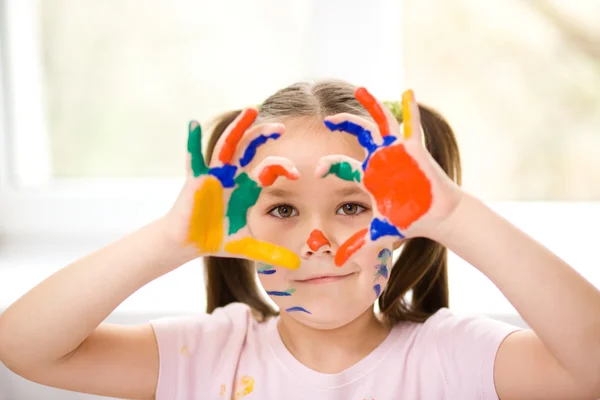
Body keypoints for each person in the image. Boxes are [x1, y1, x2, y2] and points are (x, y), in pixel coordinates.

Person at [0, 80, 599, 399]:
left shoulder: (450, 358)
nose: (317, 238)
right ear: (239, 226)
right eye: (282, 206)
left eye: (351, 206)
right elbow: (26, 348)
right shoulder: (210, 360)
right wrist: (170, 240)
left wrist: (454, 216)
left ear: (401, 226)